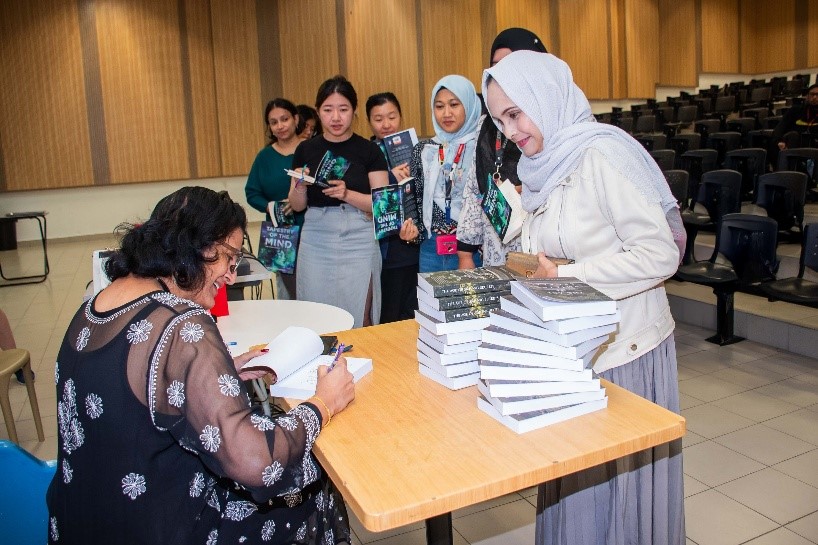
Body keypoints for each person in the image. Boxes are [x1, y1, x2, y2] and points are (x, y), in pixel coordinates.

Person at [46, 187, 355, 545]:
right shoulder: (183, 325)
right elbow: (257, 463)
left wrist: (215, 375)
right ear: (199, 248)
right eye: (230, 259)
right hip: (162, 526)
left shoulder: (96, 303)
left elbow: (135, 393)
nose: (232, 277)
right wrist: (322, 405)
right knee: (310, 478)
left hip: (82, 521)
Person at [483, 51, 685, 545]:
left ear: (545, 98)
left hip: (625, 351)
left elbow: (660, 254)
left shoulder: (603, 154)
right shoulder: (540, 166)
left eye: (515, 113)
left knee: (618, 498)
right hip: (575, 351)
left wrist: (571, 273)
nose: (509, 131)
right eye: (499, 119)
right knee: (578, 493)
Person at [288, 76, 389, 328]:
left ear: (354, 111)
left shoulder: (370, 151)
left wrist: (348, 195)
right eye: (328, 110)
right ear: (318, 111)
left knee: (359, 315)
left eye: (343, 110)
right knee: (316, 315)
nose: (336, 117)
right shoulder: (305, 150)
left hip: (359, 236)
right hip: (316, 236)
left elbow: (383, 206)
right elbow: (297, 205)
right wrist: (300, 185)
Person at [457, 28, 548, 268]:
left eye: (510, 64)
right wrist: (466, 251)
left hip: (544, 248)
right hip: (496, 244)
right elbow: (474, 188)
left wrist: (530, 191)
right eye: (495, 66)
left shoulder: (556, 118)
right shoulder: (487, 126)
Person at [401, 75, 482, 273]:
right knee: (431, 303)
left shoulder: (482, 147)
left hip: (473, 248)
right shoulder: (424, 149)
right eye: (439, 106)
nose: (446, 113)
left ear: (470, 106)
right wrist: (411, 230)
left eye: (454, 104)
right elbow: (416, 197)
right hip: (431, 247)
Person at [366, 92, 419, 323]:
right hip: (386, 247)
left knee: (413, 309)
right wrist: (389, 175)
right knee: (388, 311)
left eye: (391, 116)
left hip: (415, 242)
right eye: (378, 119)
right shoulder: (366, 154)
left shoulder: (416, 149)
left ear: (400, 116)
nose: (386, 124)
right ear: (368, 121)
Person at [245, 98, 304, 299]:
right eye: (274, 122)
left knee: (312, 286)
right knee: (286, 292)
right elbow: (251, 193)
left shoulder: (311, 149)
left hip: (312, 229)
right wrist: (270, 207)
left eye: (284, 119)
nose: (280, 126)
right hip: (279, 233)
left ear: (296, 119)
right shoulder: (264, 157)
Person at [770, 83, 818, 167]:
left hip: (815, 147)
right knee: (792, 136)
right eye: (812, 94)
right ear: (807, 96)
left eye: (817, 95)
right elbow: (779, 128)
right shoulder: (795, 110)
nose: (814, 97)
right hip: (796, 147)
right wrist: (779, 141)